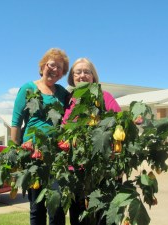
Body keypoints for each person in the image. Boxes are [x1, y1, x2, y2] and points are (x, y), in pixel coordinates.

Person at [11, 48, 69, 225]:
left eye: (60, 68)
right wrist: (16, 154)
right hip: (33, 154)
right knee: (37, 207)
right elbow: (16, 121)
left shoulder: (62, 93)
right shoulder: (28, 88)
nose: (55, 70)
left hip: (56, 156)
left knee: (57, 205)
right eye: (52, 65)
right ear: (43, 66)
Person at [63, 58, 121, 225]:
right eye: (78, 72)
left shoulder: (105, 97)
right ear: (72, 77)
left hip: (103, 169)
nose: (82, 75)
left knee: (104, 218)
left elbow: (120, 127)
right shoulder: (69, 100)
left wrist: (117, 162)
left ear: (93, 76)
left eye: (87, 72)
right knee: (78, 218)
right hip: (76, 172)